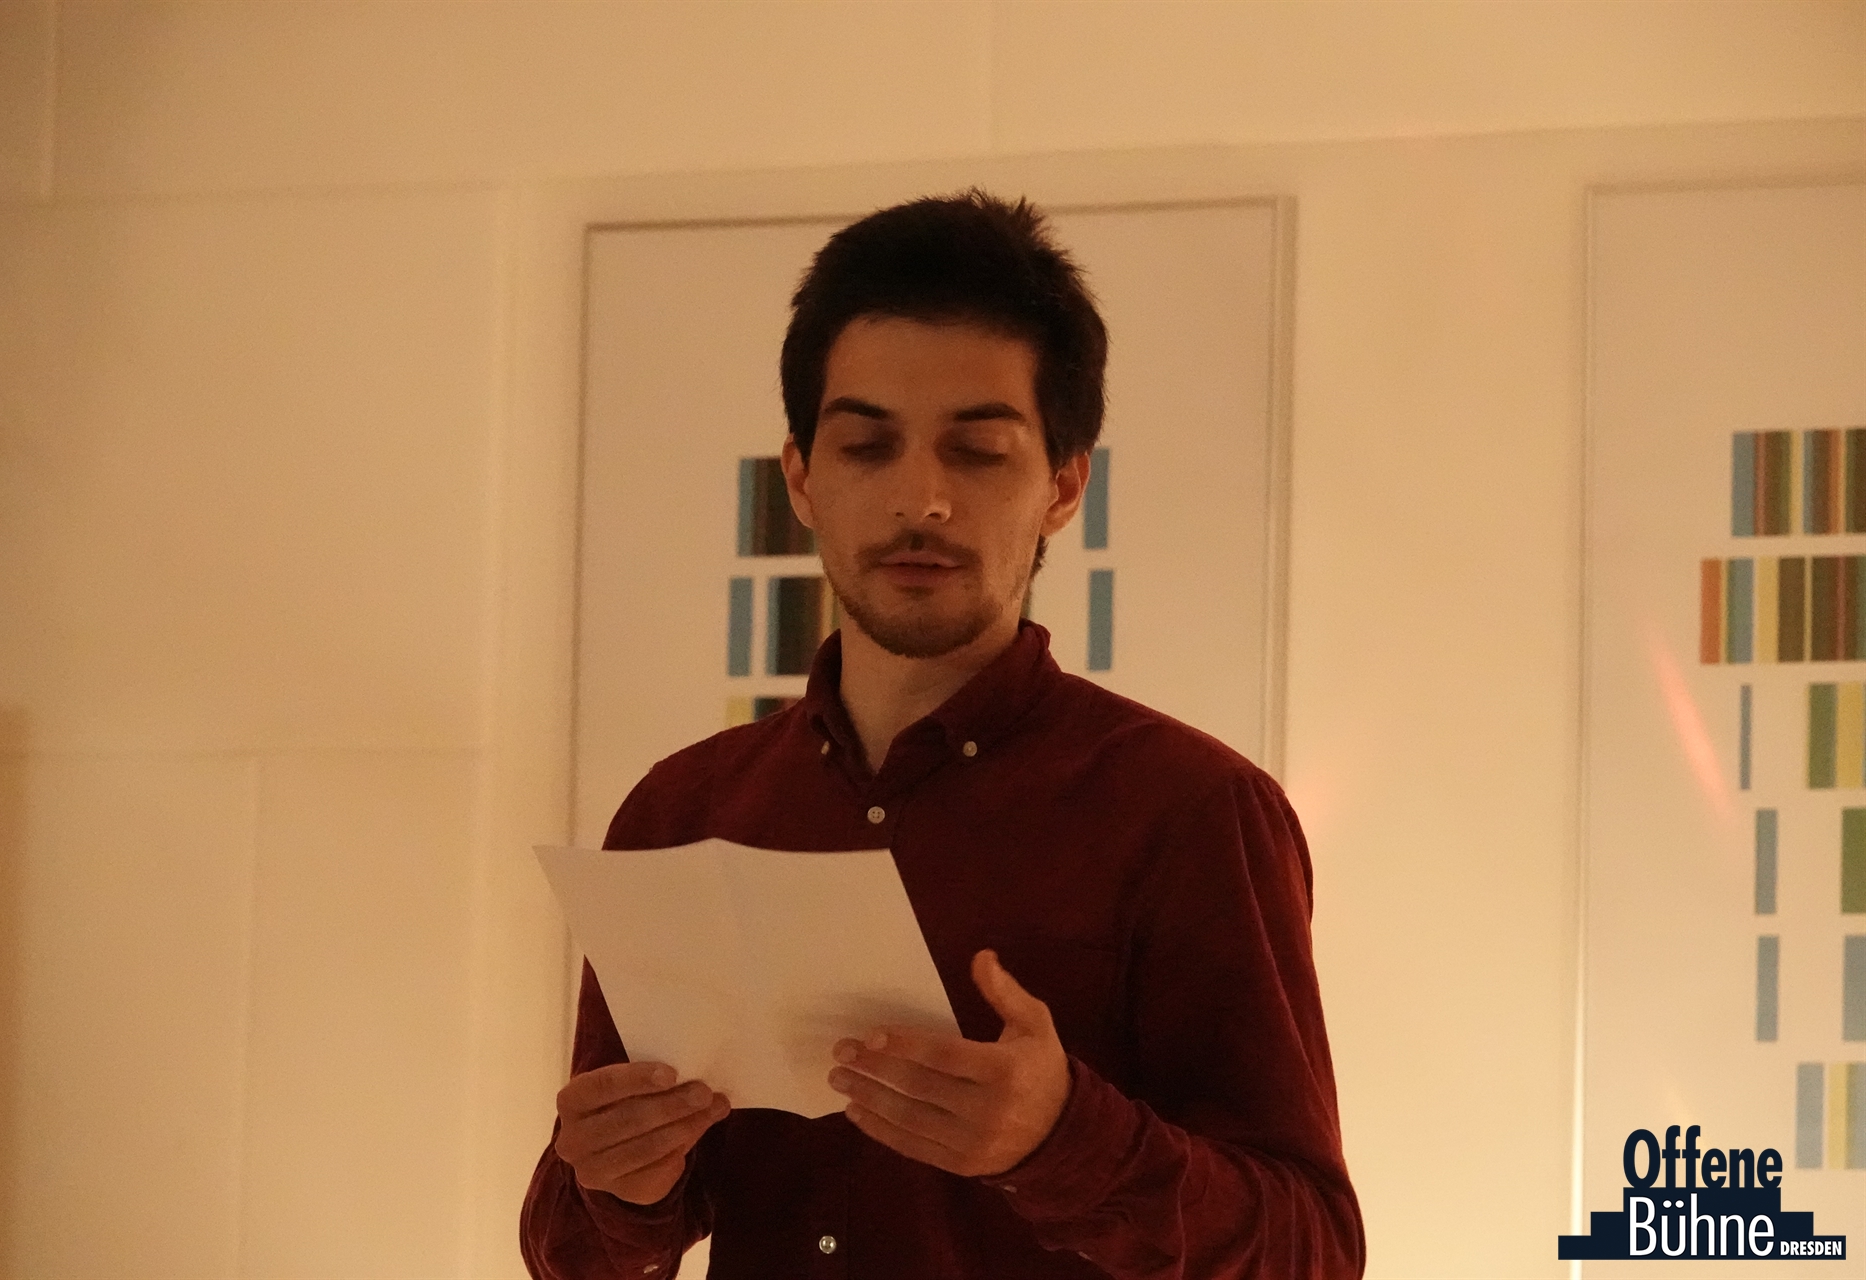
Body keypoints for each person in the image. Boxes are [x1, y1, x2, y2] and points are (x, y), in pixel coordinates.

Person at [521, 190, 1364, 1279]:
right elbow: (569, 1252)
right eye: (867, 445)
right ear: (801, 479)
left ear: (1064, 486)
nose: (920, 499)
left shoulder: (1191, 811)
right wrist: (614, 1183)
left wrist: (1064, 1140)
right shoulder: (685, 808)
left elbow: (1313, 1252)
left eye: (978, 451)